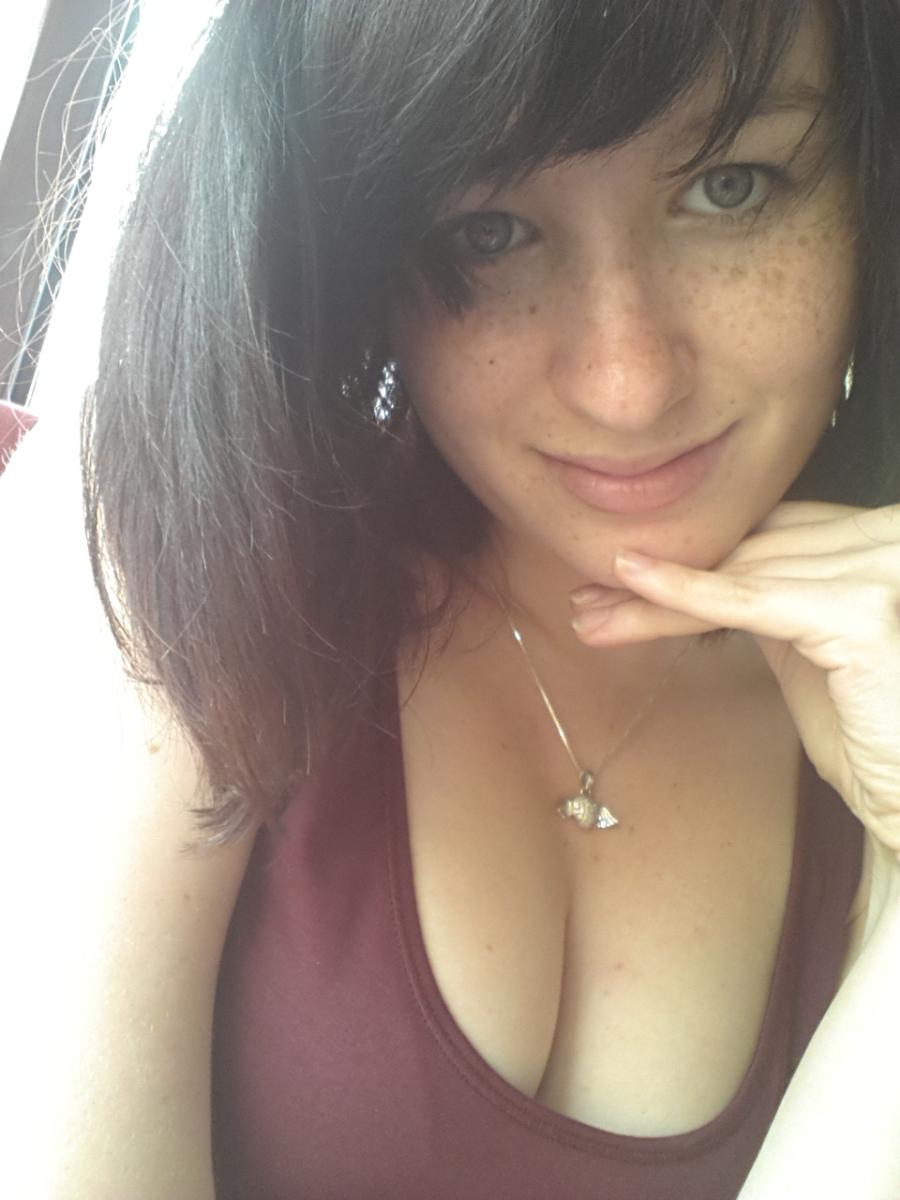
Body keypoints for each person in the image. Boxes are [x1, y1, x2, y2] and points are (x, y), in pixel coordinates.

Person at [4, 1, 900, 1197]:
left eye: (731, 187)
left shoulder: (875, 696)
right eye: (491, 230)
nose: (628, 382)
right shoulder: (177, 539)